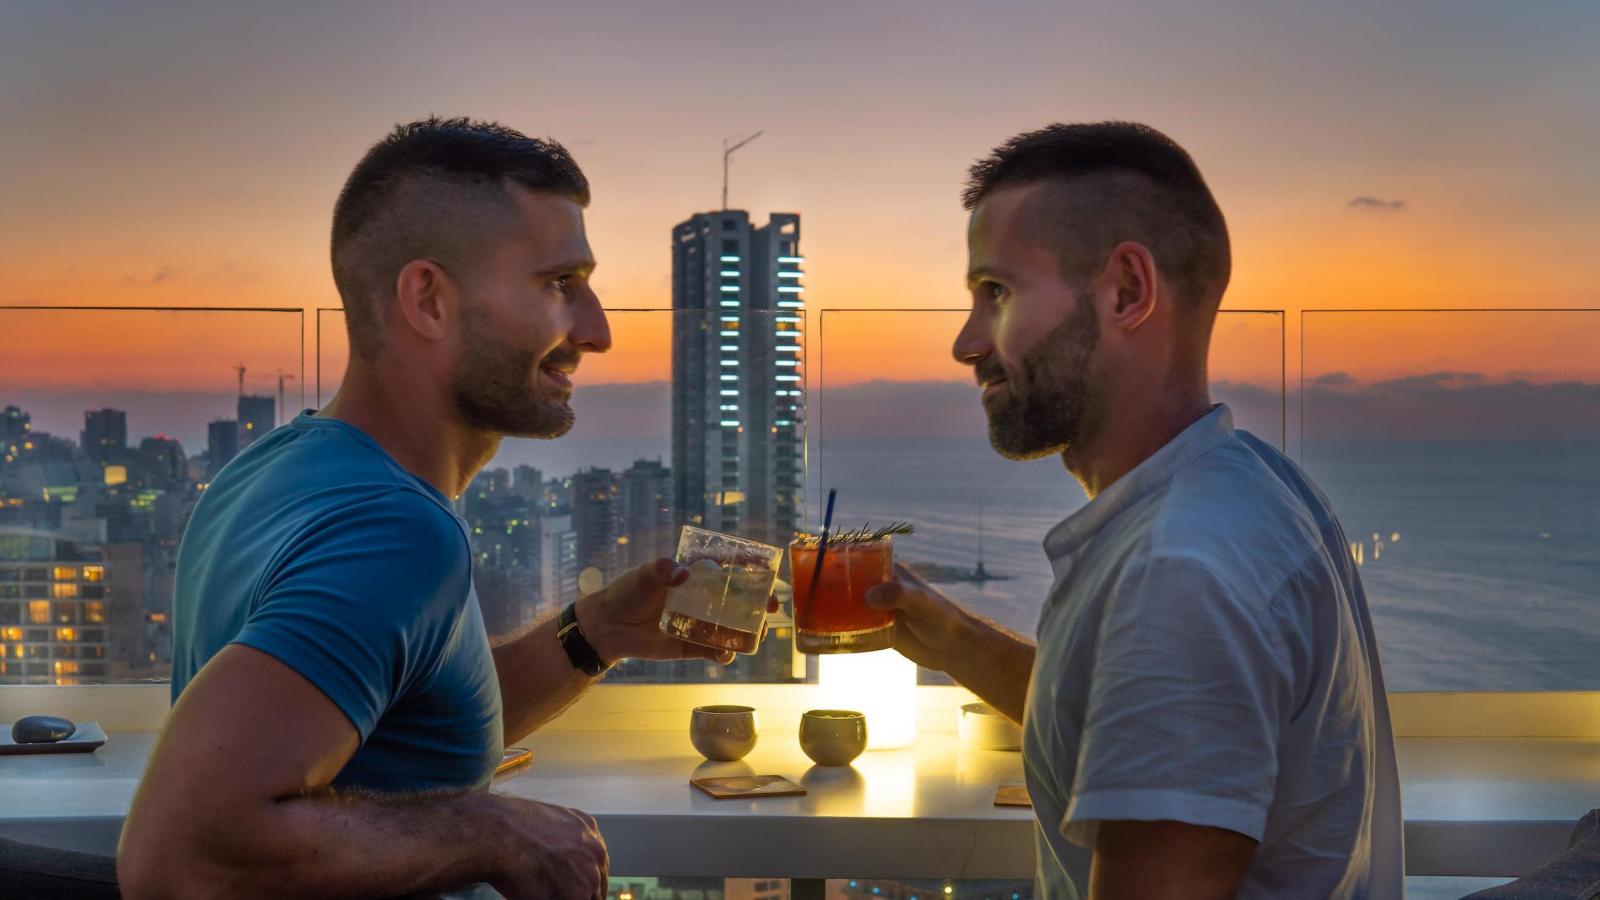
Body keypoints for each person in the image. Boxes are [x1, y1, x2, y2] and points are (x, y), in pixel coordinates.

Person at [117, 117, 757, 900]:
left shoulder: (270, 470)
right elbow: (180, 853)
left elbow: (398, 725)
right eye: (561, 284)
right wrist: (496, 830)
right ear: (428, 299)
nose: (597, 330)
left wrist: (596, 633)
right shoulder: (396, 533)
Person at [866, 122, 1403, 899]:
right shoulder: (1254, 486)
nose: (967, 341)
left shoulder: (1180, 571)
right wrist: (955, 640)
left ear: (1126, 291)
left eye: (997, 293)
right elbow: (1130, 719)